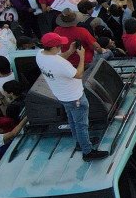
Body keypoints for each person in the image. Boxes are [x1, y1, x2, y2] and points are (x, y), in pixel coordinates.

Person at [35, 32, 108, 160]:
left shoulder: (40, 54)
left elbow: (59, 58)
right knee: (81, 125)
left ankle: (80, 143)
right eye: (59, 46)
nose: (60, 48)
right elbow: (79, 74)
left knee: (73, 121)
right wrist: (82, 56)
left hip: (62, 96)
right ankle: (88, 152)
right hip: (75, 98)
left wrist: (70, 51)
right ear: (53, 48)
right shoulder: (59, 64)